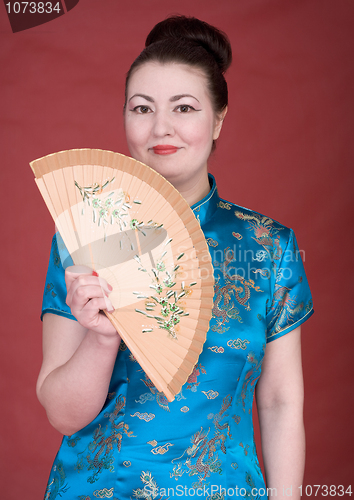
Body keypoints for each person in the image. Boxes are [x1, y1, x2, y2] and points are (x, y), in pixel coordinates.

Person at [37, 15, 313, 500]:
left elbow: (280, 401)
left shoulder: (269, 246)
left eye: (183, 107)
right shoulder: (85, 233)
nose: (160, 127)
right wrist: (102, 339)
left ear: (218, 119)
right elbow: (62, 414)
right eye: (141, 108)